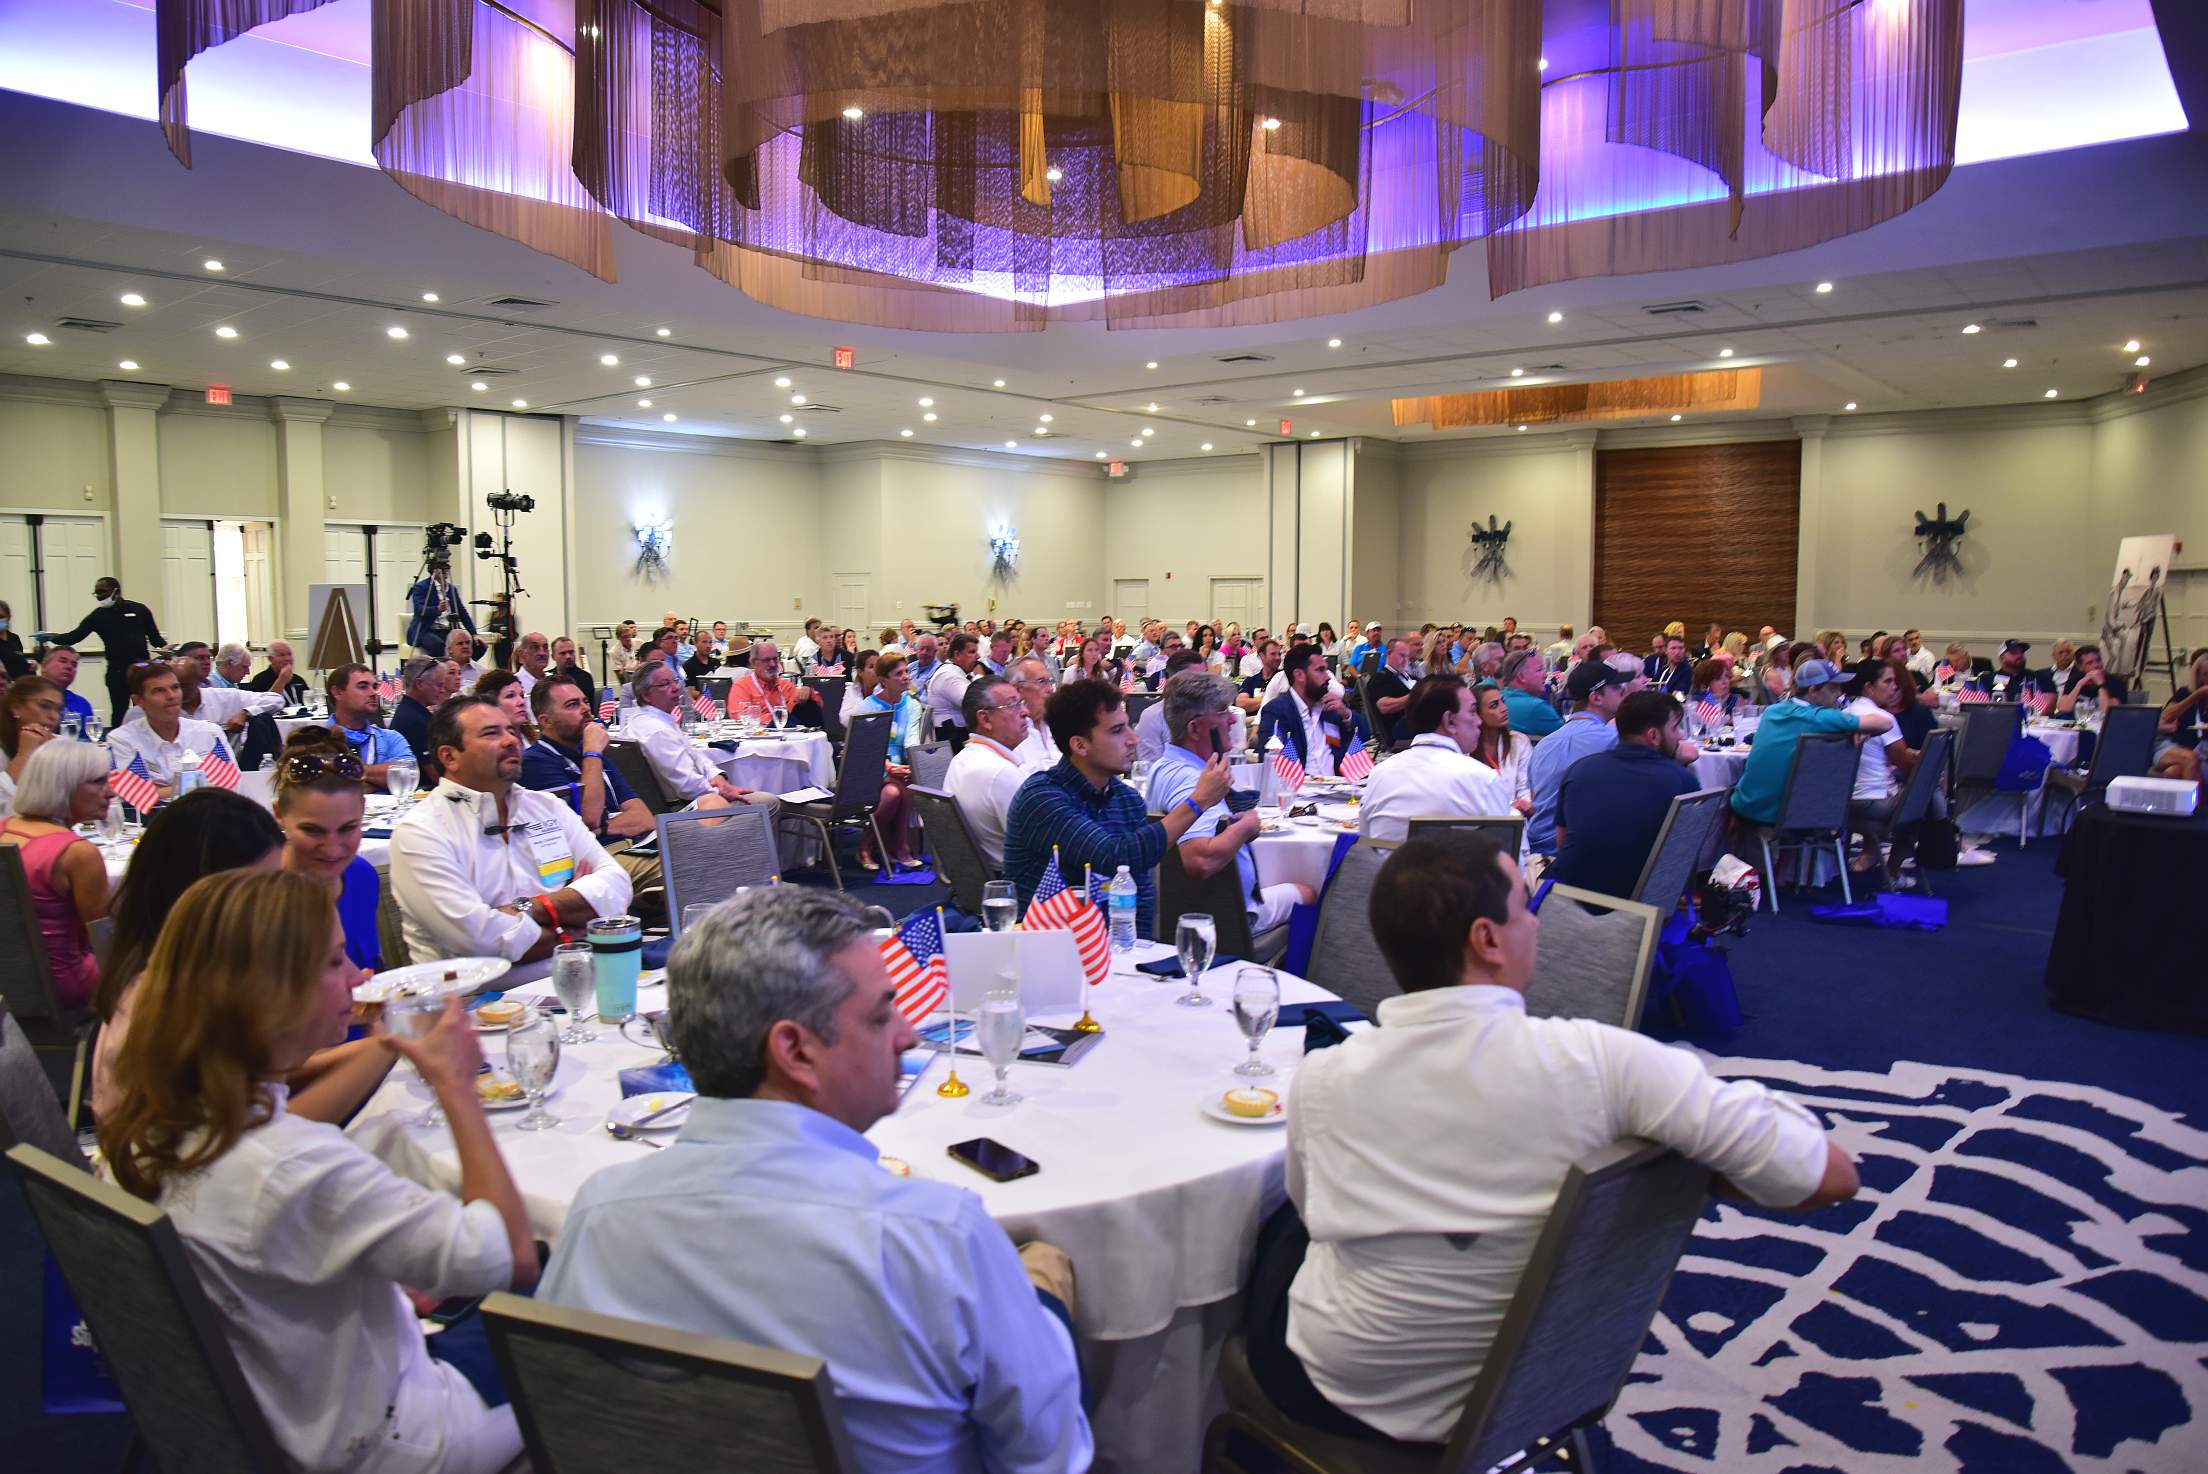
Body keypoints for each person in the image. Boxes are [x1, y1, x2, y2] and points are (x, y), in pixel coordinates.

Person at [1251, 832, 1857, 1443]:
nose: (1538, 924)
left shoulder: (1323, 1077)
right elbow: (1828, 1175)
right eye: (1525, 905)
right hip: (1542, 1382)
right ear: (1487, 939)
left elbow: (1315, 1214)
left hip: (1345, 1389)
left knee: (1272, 1226)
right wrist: (1689, 1165)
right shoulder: (1604, 1067)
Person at [539, 887, 1090, 1471]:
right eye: (882, 1014)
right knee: (1044, 1267)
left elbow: (579, 1418)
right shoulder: (935, 1237)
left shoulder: (597, 1218)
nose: (907, 1036)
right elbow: (1049, 1458)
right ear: (795, 1052)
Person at [99, 868, 537, 1474]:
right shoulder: (289, 1161)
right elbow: (509, 1255)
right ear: (269, 993)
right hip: (389, 1440)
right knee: (584, 1286)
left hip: (282, 1400)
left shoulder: (147, 1132)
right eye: (334, 963)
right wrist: (456, 1086)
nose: (358, 979)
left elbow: (266, 1260)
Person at [389, 695, 633, 974]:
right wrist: (574, 925)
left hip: (582, 978)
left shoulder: (546, 807)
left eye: (512, 731)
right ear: (449, 757)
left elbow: (619, 887)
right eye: (491, 733)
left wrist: (528, 909)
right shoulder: (422, 832)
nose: (511, 741)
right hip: (475, 1004)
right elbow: (481, 943)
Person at [1003, 679, 1231, 936]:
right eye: (1117, 731)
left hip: (1112, 949)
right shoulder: (1043, 798)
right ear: (1080, 745)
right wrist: (1197, 801)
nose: (1133, 739)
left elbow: (1140, 891)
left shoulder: (1126, 798)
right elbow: (1115, 858)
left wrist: (1139, 954)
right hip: (1045, 948)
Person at [1144, 672, 1311, 948]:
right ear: (1195, 729)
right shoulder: (1194, 782)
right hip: (1222, 921)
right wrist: (1246, 827)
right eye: (1222, 712)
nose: (1233, 719)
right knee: (1309, 890)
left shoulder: (1165, 766)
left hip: (1185, 913)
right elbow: (1199, 860)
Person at [1546, 691, 1700, 898]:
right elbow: (1684, 859)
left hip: (1570, 898)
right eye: (1675, 728)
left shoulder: (1579, 770)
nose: (1680, 736)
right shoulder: (1682, 780)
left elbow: (1562, 843)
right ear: (1653, 735)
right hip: (1641, 905)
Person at [522, 674, 665, 896]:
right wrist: (591, 752)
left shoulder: (591, 752)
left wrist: (602, 826)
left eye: (585, 701)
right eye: (572, 705)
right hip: (594, 860)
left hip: (635, 846)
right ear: (545, 721)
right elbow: (589, 816)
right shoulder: (536, 761)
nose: (585, 710)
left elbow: (643, 817)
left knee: (713, 812)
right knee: (685, 861)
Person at [0, 739, 110, 1008]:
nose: (111, 792)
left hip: (10, 985)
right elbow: (104, 944)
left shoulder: (4, 828)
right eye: (98, 782)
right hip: (67, 985)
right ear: (63, 785)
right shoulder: (77, 854)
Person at [1729, 659, 1894, 826]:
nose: (1838, 693)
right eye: (1833, 688)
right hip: (1795, 816)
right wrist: (1861, 728)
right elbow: (1886, 723)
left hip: (1747, 808)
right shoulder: (1822, 716)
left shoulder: (1772, 711)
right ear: (1813, 691)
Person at [1357, 676, 1516, 844]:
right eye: (1472, 711)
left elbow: (1366, 844)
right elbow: (1508, 861)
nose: (1478, 721)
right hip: (1452, 869)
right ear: (1449, 721)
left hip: (1387, 869)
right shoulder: (1482, 780)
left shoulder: (1379, 775)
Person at [273, 728, 383, 970]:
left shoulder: (362, 875)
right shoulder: (261, 898)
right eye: (313, 830)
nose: (332, 850)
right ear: (279, 814)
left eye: (347, 829)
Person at [1523, 658, 1635, 858]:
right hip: (1579, 853)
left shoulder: (1543, 745)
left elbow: (1535, 801)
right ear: (1596, 698)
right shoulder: (1614, 739)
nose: (1624, 692)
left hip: (1535, 852)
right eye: (1617, 687)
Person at [625, 662, 758, 808]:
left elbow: (695, 755)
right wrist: (721, 791)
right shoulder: (657, 730)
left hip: (695, 797)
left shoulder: (648, 720)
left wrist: (716, 775)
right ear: (646, 695)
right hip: (685, 807)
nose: (675, 688)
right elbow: (687, 786)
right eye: (664, 684)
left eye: (675, 681)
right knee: (770, 802)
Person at [39, 575, 164, 724]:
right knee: (119, 712)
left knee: (146, 710)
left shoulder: (139, 610)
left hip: (141, 669)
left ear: (116, 591)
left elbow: (156, 639)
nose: (99, 596)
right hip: (117, 671)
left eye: (102, 591)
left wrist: (168, 653)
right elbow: (74, 636)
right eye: (96, 593)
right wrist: (52, 637)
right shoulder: (98, 616)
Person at [107, 661, 237, 801]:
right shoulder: (121, 740)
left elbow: (231, 785)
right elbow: (133, 794)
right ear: (138, 701)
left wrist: (160, 790)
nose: (171, 696)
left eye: (175, 688)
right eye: (159, 691)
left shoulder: (210, 734)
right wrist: (201, 786)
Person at [942, 675, 1033, 869]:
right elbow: (1040, 846)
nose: (1025, 712)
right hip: (1019, 885)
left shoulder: (961, 759)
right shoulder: (1000, 772)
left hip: (981, 879)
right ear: (985, 718)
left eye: (1022, 703)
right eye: (1013, 705)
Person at [1842, 659, 1919, 885]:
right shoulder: (1884, 719)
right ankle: (1892, 874)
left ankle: (1869, 854)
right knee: (1922, 798)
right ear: (1869, 686)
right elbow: (1905, 763)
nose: (1895, 687)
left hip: (1843, 801)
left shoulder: (1845, 714)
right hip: (1874, 802)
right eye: (1888, 681)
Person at [854, 654, 926, 870]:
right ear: (883, 679)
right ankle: (891, 845)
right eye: (898, 674)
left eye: (906, 671)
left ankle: (877, 845)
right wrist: (887, 766)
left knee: (898, 789)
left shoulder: (911, 705)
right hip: (869, 765)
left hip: (897, 765)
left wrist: (911, 765)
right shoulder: (868, 707)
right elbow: (864, 749)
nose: (906, 677)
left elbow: (911, 739)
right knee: (895, 791)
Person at [1256, 643, 1361, 779]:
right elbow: (1273, 765)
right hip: (1300, 792)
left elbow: (1364, 735)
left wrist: (1346, 713)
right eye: (1320, 670)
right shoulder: (1277, 712)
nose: (1328, 677)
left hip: (1338, 789)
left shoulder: (1330, 708)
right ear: (1299, 675)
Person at [326, 663, 415, 789]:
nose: (374, 692)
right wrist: (380, 781)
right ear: (338, 693)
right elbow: (319, 790)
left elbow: (408, 776)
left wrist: (346, 769)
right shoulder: (314, 741)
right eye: (363, 687)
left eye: (374, 686)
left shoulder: (391, 738)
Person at [2, 673, 66, 817]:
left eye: (58, 710)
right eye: (45, 706)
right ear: (15, 708)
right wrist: (24, 754)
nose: (54, 716)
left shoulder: (59, 744)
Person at [1469, 680, 1535, 814]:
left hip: (1518, 818)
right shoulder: (1466, 747)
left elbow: (1525, 787)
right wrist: (1510, 805)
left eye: (1502, 701)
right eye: (1494, 705)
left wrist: (1525, 803)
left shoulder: (1519, 741)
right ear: (1477, 714)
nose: (1504, 708)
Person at [1136, 649, 1209, 766]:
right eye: (1196, 680)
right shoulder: (1152, 717)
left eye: (1205, 678)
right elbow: (1150, 768)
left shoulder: (1213, 714)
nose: (1204, 685)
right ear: (1174, 681)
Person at [726, 640, 824, 727]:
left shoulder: (784, 685)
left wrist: (809, 692)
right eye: (766, 660)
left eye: (775, 659)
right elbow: (740, 717)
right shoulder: (742, 687)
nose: (772, 664)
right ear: (753, 662)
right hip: (756, 741)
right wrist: (778, 717)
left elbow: (818, 706)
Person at [405, 557, 476, 657]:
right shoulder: (422, 587)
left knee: (478, 645)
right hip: (427, 630)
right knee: (438, 645)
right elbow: (419, 610)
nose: (445, 571)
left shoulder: (451, 589)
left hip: (447, 629)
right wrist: (437, 609)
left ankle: (464, 667)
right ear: (434, 570)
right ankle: (442, 670)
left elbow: (462, 612)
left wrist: (474, 634)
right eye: (442, 568)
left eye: (447, 568)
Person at [391, 655, 449, 768]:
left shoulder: (412, 711)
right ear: (419, 684)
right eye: (439, 685)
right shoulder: (414, 720)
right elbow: (433, 772)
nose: (442, 691)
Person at [1008, 656, 1061, 770]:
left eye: (1050, 682)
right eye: (1042, 682)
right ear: (1017, 690)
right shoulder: (1009, 736)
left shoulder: (1058, 724)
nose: (1050, 689)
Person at [1499, 647, 1561, 738]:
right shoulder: (1537, 707)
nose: (1545, 675)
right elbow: (1569, 738)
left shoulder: (1499, 698)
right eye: (1539, 670)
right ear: (1521, 677)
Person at [1364, 639, 1416, 746]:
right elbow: (1384, 706)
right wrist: (1416, 696)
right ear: (1389, 653)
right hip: (1399, 729)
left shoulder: (1410, 677)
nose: (1405, 660)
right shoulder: (1380, 678)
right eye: (1402, 656)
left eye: (1407, 656)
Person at [2055, 644, 2127, 718]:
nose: (2096, 665)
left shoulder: (2115, 682)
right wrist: (2080, 684)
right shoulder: (2074, 681)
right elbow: (2063, 709)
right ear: (2080, 667)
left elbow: (2109, 712)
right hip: (2080, 726)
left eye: (2098, 660)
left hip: (2105, 727)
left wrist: (2101, 684)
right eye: (2090, 663)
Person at [37, 645, 97, 731]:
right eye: (63, 661)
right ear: (44, 666)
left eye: (74, 665)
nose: (69, 667)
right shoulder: (27, 698)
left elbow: (89, 740)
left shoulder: (82, 704)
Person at [2157, 650, 2208, 752]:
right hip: (2182, 744)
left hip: (2203, 747)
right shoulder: (2185, 692)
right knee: (2174, 768)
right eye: (2206, 674)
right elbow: (2165, 718)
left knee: (2175, 768)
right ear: (2197, 675)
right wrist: (2196, 695)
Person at [240, 638, 310, 706]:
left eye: (289, 654)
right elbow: (262, 706)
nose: (287, 658)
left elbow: (309, 702)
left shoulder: (298, 679)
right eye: (281, 655)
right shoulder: (260, 680)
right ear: (270, 659)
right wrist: (281, 680)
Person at [1643, 631, 1693, 695]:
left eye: (1680, 648)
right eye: (1673, 648)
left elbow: (1679, 698)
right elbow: (1650, 687)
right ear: (1666, 650)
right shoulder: (1665, 670)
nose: (1677, 652)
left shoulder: (1687, 671)